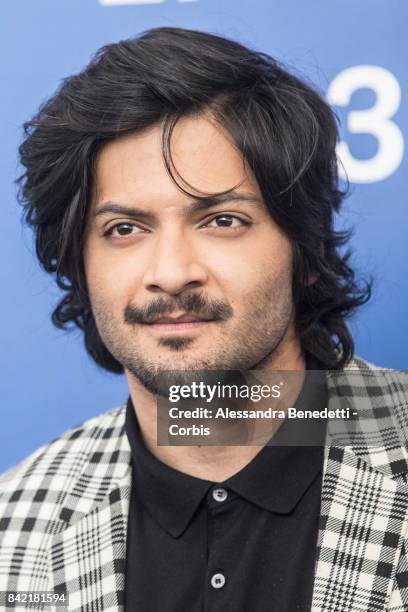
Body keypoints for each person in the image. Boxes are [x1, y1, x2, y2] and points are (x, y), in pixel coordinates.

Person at [0, 26, 407, 612]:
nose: (170, 272)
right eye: (124, 229)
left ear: (306, 249)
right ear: (79, 266)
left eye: (222, 220)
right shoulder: (16, 527)